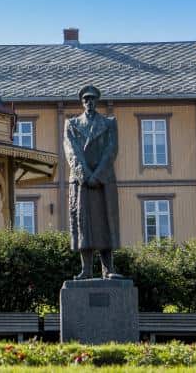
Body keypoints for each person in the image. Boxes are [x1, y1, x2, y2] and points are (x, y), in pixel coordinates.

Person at [63, 84, 121, 279]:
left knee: (106, 223)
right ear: (82, 102)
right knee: (83, 225)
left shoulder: (109, 123)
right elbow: (72, 152)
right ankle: (86, 269)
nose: (89, 102)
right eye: (86, 99)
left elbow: (111, 150)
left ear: (97, 101)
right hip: (82, 182)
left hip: (103, 181)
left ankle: (108, 268)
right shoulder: (71, 124)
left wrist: (98, 175)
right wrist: (85, 175)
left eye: (92, 99)